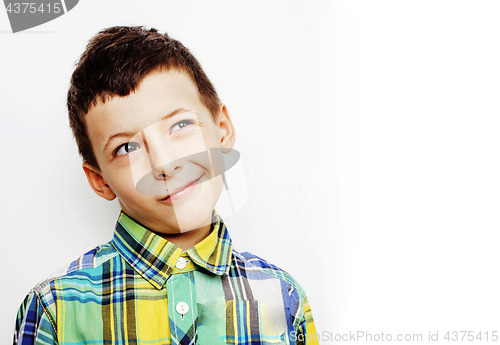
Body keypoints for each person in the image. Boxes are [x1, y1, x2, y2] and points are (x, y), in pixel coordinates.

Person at [13, 26, 319, 345]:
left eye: (181, 125)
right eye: (127, 148)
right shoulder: (55, 307)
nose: (164, 164)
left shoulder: (284, 296)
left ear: (223, 130)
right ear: (100, 180)